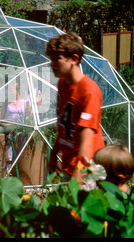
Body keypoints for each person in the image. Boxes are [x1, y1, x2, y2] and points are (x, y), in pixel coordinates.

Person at [45, 32, 105, 180]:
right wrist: (54, 154)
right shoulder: (63, 83)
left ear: (74, 59)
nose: (51, 63)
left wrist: (78, 179)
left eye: (56, 59)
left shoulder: (89, 91)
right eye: (51, 59)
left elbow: (87, 142)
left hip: (87, 170)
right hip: (68, 165)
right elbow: (66, 124)